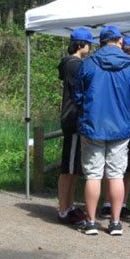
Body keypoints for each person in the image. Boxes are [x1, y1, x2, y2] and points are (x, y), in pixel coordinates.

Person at [75, 26, 130, 236]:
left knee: (93, 175)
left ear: (101, 41)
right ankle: (115, 223)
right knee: (116, 175)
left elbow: (78, 96)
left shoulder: (88, 63)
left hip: (93, 125)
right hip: (120, 127)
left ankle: (92, 222)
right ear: (120, 41)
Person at [99, 35, 130, 220]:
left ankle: (122, 203)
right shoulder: (121, 66)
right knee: (108, 167)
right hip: (118, 123)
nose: (128, 55)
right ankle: (107, 203)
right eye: (125, 52)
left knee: (129, 168)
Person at [56, 27, 94, 224]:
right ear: (81, 45)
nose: (90, 48)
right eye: (89, 44)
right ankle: (63, 208)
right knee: (68, 168)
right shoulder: (75, 65)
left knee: (73, 168)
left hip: (75, 120)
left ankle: (69, 205)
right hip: (73, 120)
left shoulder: (74, 64)